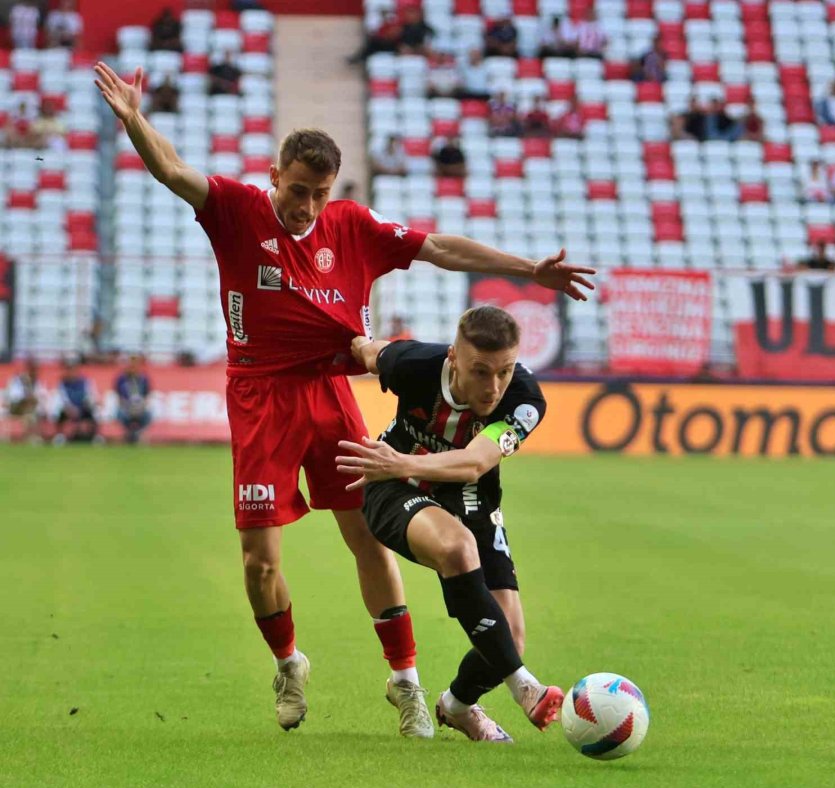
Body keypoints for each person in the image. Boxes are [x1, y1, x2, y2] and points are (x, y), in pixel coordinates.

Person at [93, 61, 594, 737]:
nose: (305, 206)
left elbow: (438, 247)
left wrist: (526, 269)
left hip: (331, 395)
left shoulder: (351, 226)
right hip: (260, 398)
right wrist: (134, 121)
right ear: (274, 177)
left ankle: (407, 682)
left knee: (367, 535)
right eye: (296, 190)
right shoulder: (239, 213)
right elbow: (176, 172)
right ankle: (288, 661)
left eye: (318, 194)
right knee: (258, 559)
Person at [337, 307, 565, 742]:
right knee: (457, 548)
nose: (494, 387)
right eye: (481, 371)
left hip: (467, 492)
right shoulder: (414, 365)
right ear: (454, 358)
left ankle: (457, 706)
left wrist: (397, 459)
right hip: (394, 485)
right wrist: (352, 341)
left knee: (510, 638)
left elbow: (477, 461)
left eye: (505, 371)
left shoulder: (525, 399)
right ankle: (526, 688)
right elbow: (367, 351)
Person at [54, 358, 98, 444]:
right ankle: (60, 435)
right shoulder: (63, 383)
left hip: (82, 407)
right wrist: (70, 408)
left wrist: (82, 406)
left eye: (73, 369)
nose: (71, 372)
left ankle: (94, 436)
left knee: (93, 412)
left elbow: (89, 395)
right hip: (68, 409)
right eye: (69, 369)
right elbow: (62, 397)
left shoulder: (85, 382)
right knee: (59, 412)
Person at [5, 358, 46, 443]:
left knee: (35, 413)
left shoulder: (37, 382)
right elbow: (13, 397)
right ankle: (30, 436)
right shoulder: (18, 380)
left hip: (30, 409)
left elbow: (41, 396)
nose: (34, 371)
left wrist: (33, 399)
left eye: (35, 369)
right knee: (29, 413)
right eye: (32, 369)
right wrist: (27, 398)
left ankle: (33, 436)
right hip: (15, 408)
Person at [115, 355, 152, 444]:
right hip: (126, 407)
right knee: (119, 413)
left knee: (149, 414)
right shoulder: (121, 379)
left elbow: (147, 396)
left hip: (140, 407)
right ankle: (128, 433)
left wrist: (141, 406)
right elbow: (119, 397)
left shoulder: (143, 379)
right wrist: (126, 406)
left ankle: (139, 434)